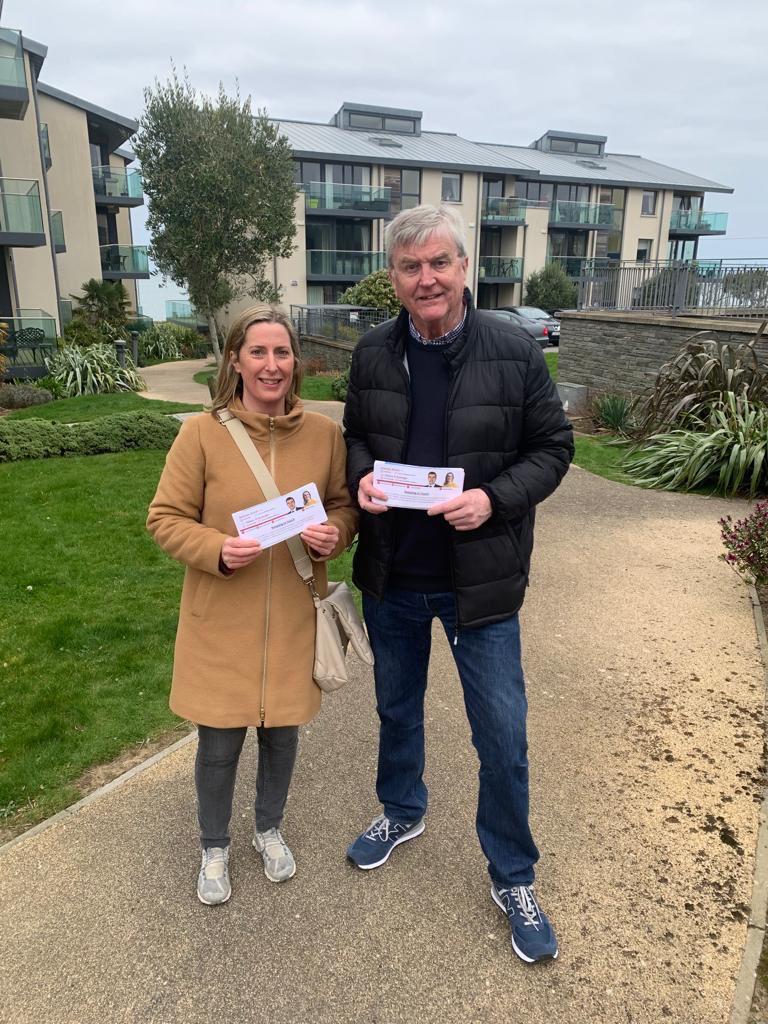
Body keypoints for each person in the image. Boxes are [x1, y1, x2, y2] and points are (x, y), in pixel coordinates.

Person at [343, 204, 573, 963]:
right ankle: (401, 809)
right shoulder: (373, 352)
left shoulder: (513, 351)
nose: (427, 278)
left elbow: (553, 445)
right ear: (394, 279)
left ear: (464, 269)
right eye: (410, 267)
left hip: (481, 586)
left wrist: (494, 498)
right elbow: (355, 437)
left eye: (439, 262)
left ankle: (513, 873)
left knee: (503, 737)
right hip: (394, 578)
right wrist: (361, 480)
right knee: (396, 711)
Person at [147, 304, 357, 906]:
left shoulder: (324, 435)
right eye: (258, 352)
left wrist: (336, 534)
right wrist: (215, 548)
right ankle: (214, 843)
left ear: (296, 362)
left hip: (295, 616)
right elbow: (164, 519)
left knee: (282, 735)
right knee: (218, 745)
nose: (272, 365)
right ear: (235, 360)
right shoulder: (201, 434)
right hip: (222, 619)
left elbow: (343, 506)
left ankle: (268, 828)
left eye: (282, 353)